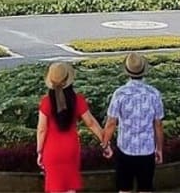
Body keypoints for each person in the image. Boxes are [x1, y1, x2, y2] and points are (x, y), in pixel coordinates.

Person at [37, 62, 110, 193]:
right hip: (71, 149)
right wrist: (105, 143)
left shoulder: (46, 102)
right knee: (70, 188)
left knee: (55, 188)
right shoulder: (78, 100)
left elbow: (42, 130)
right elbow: (91, 123)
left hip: (51, 150)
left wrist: (39, 151)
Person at [103, 53, 165, 193]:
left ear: (126, 71)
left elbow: (111, 123)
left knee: (124, 189)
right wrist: (159, 149)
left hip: (125, 149)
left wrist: (105, 143)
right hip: (147, 150)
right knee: (145, 188)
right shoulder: (154, 94)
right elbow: (158, 124)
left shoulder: (120, 94)